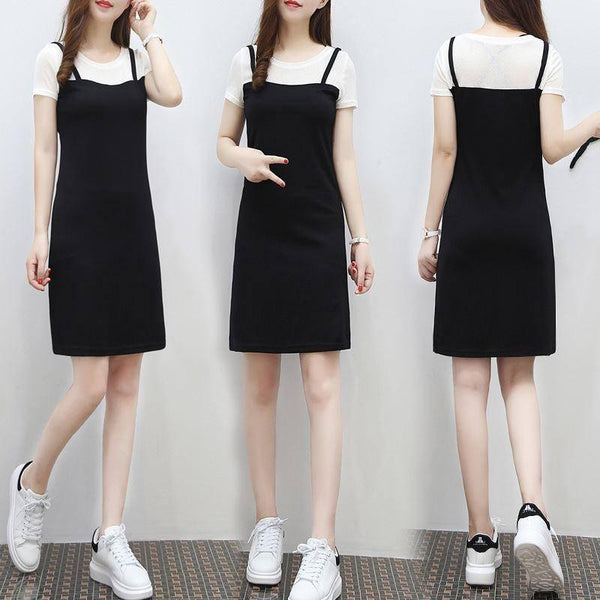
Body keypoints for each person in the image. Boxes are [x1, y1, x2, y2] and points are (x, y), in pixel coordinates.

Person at [418, 0, 600, 592]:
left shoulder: (451, 54)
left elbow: (445, 151)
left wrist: (429, 232)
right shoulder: (545, 57)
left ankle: (479, 540)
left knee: (469, 386)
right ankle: (534, 513)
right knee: (519, 381)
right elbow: (552, 147)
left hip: (468, 233)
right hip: (525, 233)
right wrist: (593, 124)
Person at [8, 1, 182, 598]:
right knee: (90, 385)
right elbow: (44, 150)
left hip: (133, 234)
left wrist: (149, 33)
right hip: (79, 233)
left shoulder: (137, 61)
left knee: (126, 384)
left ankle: (110, 536)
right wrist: (40, 233)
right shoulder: (54, 61)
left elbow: (173, 94)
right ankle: (32, 483)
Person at [217, 1, 373, 598]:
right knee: (260, 388)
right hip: (261, 235)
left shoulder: (338, 65)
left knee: (322, 388)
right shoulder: (247, 61)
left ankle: (323, 546)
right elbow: (223, 141)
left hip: (316, 234)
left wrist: (360, 238)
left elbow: (344, 157)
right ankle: (266, 524)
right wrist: (244, 159)